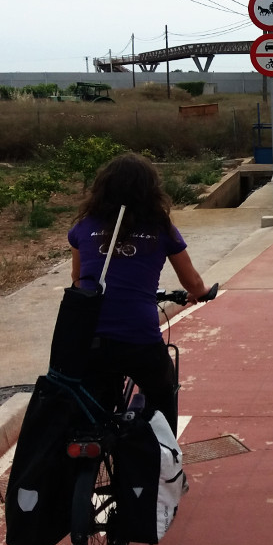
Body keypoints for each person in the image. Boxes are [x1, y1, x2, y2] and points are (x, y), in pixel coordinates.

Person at [68, 152, 211, 436]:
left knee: (93, 403)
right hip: (139, 338)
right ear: (151, 191)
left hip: (89, 338)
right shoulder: (161, 230)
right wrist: (201, 292)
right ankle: (165, 455)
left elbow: (78, 280)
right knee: (162, 391)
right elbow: (192, 281)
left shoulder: (83, 228)